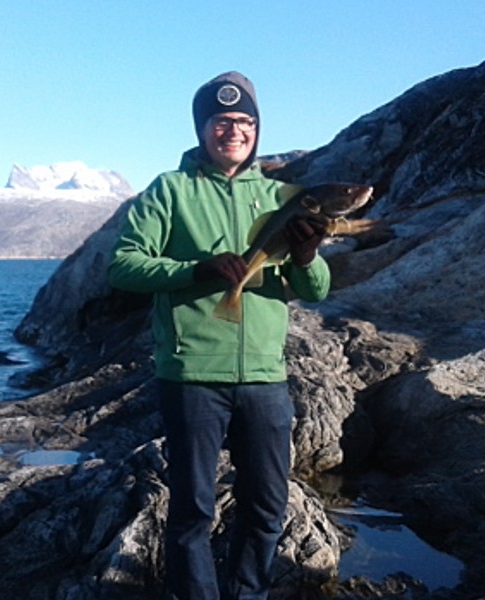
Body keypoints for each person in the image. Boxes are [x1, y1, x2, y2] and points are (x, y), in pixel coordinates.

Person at [107, 72, 331, 600]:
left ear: (257, 130)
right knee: (191, 510)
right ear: (203, 128)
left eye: (245, 122)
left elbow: (316, 289)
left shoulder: (282, 197)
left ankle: (248, 594)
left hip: (264, 376)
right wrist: (195, 271)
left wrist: (304, 255)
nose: (234, 130)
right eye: (222, 121)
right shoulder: (170, 191)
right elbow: (122, 266)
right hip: (191, 376)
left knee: (267, 505)